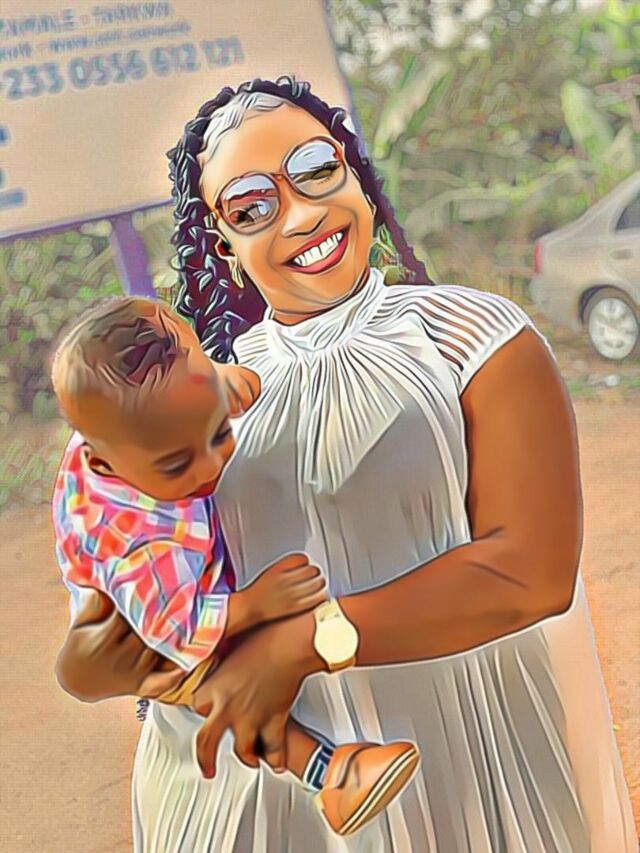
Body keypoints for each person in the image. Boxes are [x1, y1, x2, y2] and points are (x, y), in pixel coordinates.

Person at [55, 77, 636, 852]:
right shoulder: (187, 394)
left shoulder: (474, 336)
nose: (300, 214)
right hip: (250, 796)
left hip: (453, 758)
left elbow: (531, 571)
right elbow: (106, 626)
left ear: (355, 173)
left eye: (316, 169)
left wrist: (299, 643)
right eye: (251, 207)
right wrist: (123, 660)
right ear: (222, 245)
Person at [50, 295, 420, 837]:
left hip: (176, 574)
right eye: (177, 463)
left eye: (219, 433)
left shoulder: (151, 417)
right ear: (105, 462)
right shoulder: (136, 542)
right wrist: (253, 605)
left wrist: (218, 383)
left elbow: (174, 396)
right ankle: (331, 774)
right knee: (222, 687)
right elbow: (175, 628)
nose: (210, 467)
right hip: (140, 630)